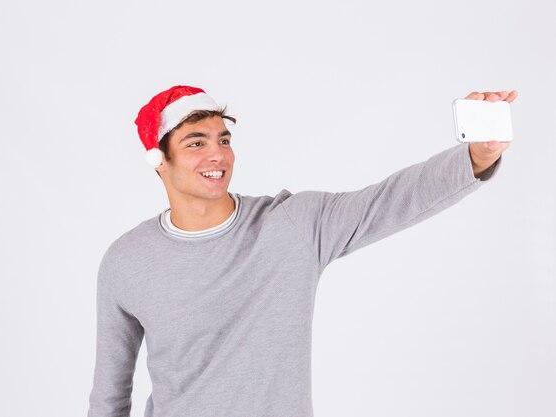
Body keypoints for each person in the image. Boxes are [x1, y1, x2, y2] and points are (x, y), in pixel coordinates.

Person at [87, 85, 518, 417]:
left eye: (223, 139)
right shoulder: (127, 260)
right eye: (196, 143)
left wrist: (476, 156)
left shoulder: (291, 225)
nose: (217, 154)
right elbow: (109, 393)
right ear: (159, 159)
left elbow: (390, 200)